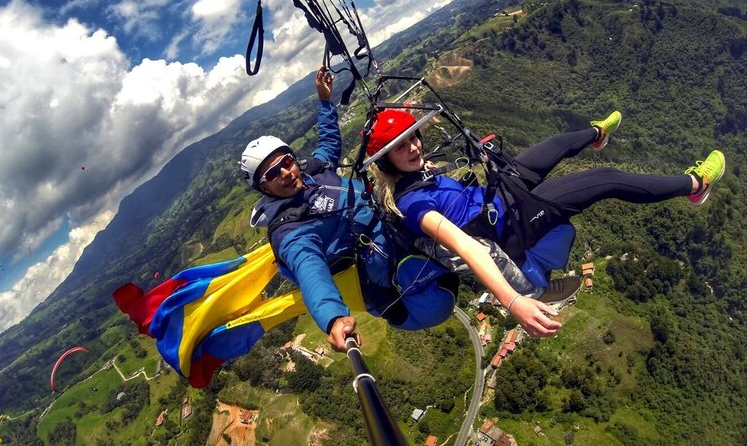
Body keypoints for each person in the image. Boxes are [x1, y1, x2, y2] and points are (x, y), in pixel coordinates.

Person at [367, 108, 726, 337]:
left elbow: (447, 192)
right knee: (605, 179)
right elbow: (466, 248)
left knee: (553, 146)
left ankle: (596, 134)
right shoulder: (413, 203)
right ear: (387, 163)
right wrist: (511, 301)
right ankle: (696, 185)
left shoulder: (417, 176)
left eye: (413, 137)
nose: (414, 147)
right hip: (511, 226)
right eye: (401, 147)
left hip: (499, 198)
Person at [241, 67, 458, 351]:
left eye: (286, 162)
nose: (284, 172)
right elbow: (311, 273)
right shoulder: (291, 231)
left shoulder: (313, 173)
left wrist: (323, 100)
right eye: (271, 174)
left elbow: (329, 141)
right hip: (404, 285)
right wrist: (333, 319)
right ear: (263, 188)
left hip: (394, 231)